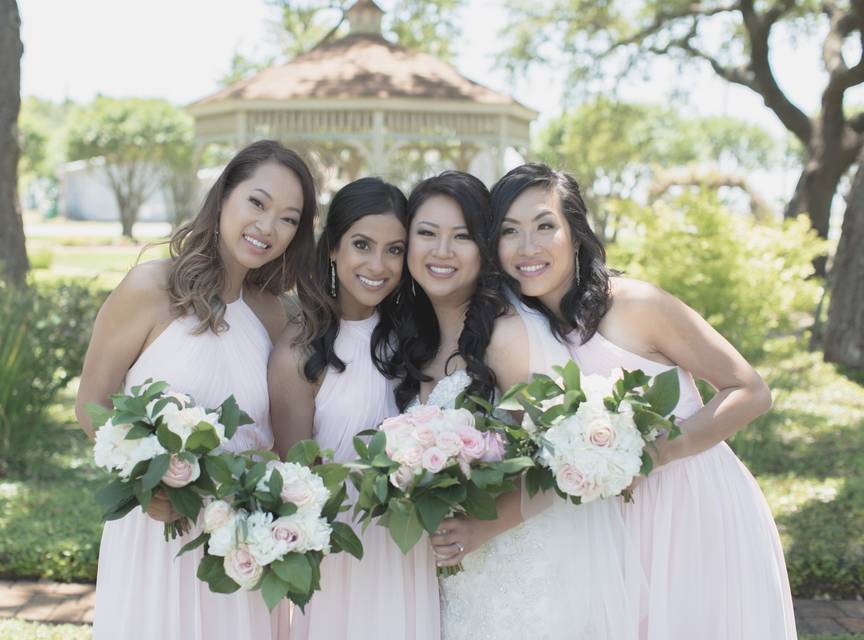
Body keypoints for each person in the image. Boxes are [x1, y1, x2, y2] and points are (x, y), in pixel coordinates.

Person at [492, 162, 797, 640]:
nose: (527, 247)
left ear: (575, 235)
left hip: (691, 507)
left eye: (544, 226)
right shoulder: (526, 332)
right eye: (510, 232)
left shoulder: (637, 304)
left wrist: (653, 454)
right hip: (605, 523)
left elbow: (750, 391)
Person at [75, 140, 318, 640]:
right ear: (224, 194)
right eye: (257, 202)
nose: (268, 227)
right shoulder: (150, 289)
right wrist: (148, 478)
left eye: (289, 219)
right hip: (157, 531)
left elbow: (277, 439)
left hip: (241, 544)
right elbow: (93, 403)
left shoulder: (277, 316)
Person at [411, 172, 641, 640]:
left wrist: (481, 528)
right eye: (427, 234)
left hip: (526, 563)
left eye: (463, 237)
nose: (442, 251)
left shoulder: (508, 334)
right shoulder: (413, 338)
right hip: (463, 576)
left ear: (486, 249)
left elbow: (566, 461)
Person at [267, 176, 441, 639]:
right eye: (362, 244)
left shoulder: (416, 339)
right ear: (332, 249)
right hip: (338, 551)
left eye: (394, 249)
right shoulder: (299, 352)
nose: (377, 265)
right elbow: (294, 479)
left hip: (408, 545)